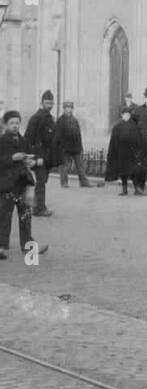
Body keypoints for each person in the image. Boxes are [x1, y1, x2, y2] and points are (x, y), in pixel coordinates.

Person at [0, 111, 48, 260]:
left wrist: (32, 161)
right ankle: (3, 248)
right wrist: (12, 158)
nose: (15, 126)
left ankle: (28, 246)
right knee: (4, 217)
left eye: (17, 123)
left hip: (22, 184)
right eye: (12, 123)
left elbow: (31, 154)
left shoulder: (23, 140)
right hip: (7, 185)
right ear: (5, 125)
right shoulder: (1, 141)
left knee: (25, 217)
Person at [23, 89, 57, 217]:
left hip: (47, 157)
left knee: (43, 181)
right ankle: (39, 208)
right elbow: (31, 139)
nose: (50, 105)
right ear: (42, 102)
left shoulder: (49, 118)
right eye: (47, 103)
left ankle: (38, 205)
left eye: (51, 103)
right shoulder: (36, 118)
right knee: (41, 181)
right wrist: (38, 157)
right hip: (40, 157)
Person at [105, 104, 145, 196]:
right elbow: (113, 142)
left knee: (134, 171)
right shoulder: (117, 127)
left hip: (132, 153)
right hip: (121, 152)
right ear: (121, 115)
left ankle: (137, 189)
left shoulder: (134, 126)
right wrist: (113, 153)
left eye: (128, 114)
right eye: (125, 114)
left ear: (130, 115)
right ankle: (124, 189)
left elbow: (138, 140)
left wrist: (138, 152)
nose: (126, 116)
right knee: (123, 172)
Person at [55, 100, 90, 188]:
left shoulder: (75, 120)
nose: (69, 110)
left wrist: (81, 147)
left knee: (80, 166)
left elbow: (78, 134)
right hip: (65, 148)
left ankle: (84, 182)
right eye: (67, 108)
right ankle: (64, 183)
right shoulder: (60, 120)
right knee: (64, 166)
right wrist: (60, 147)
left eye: (70, 108)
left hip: (76, 147)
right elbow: (58, 135)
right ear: (64, 109)